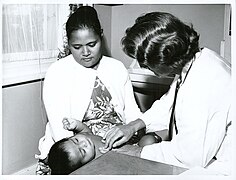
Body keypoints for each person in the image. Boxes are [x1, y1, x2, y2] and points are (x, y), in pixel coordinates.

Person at [102, 12, 232, 175]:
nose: (144, 67)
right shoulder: (198, 60)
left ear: (164, 58)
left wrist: (138, 152)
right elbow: (168, 105)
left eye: (146, 63)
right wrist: (133, 125)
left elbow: (190, 156)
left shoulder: (203, 82)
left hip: (225, 167)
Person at [35, 6, 158, 175]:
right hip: (83, 148)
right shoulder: (57, 72)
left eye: (92, 44)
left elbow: (132, 113)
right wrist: (99, 152)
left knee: (151, 152)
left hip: (118, 137)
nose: (85, 53)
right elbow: (61, 132)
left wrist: (131, 134)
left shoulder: (116, 68)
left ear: (101, 36)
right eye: (76, 47)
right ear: (68, 44)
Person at [48, 118, 156, 175]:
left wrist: (76, 125)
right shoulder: (96, 161)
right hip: (133, 157)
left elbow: (86, 131)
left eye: (76, 140)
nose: (84, 143)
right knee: (149, 144)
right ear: (84, 165)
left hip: (131, 144)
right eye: (82, 151)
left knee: (148, 139)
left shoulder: (85, 137)